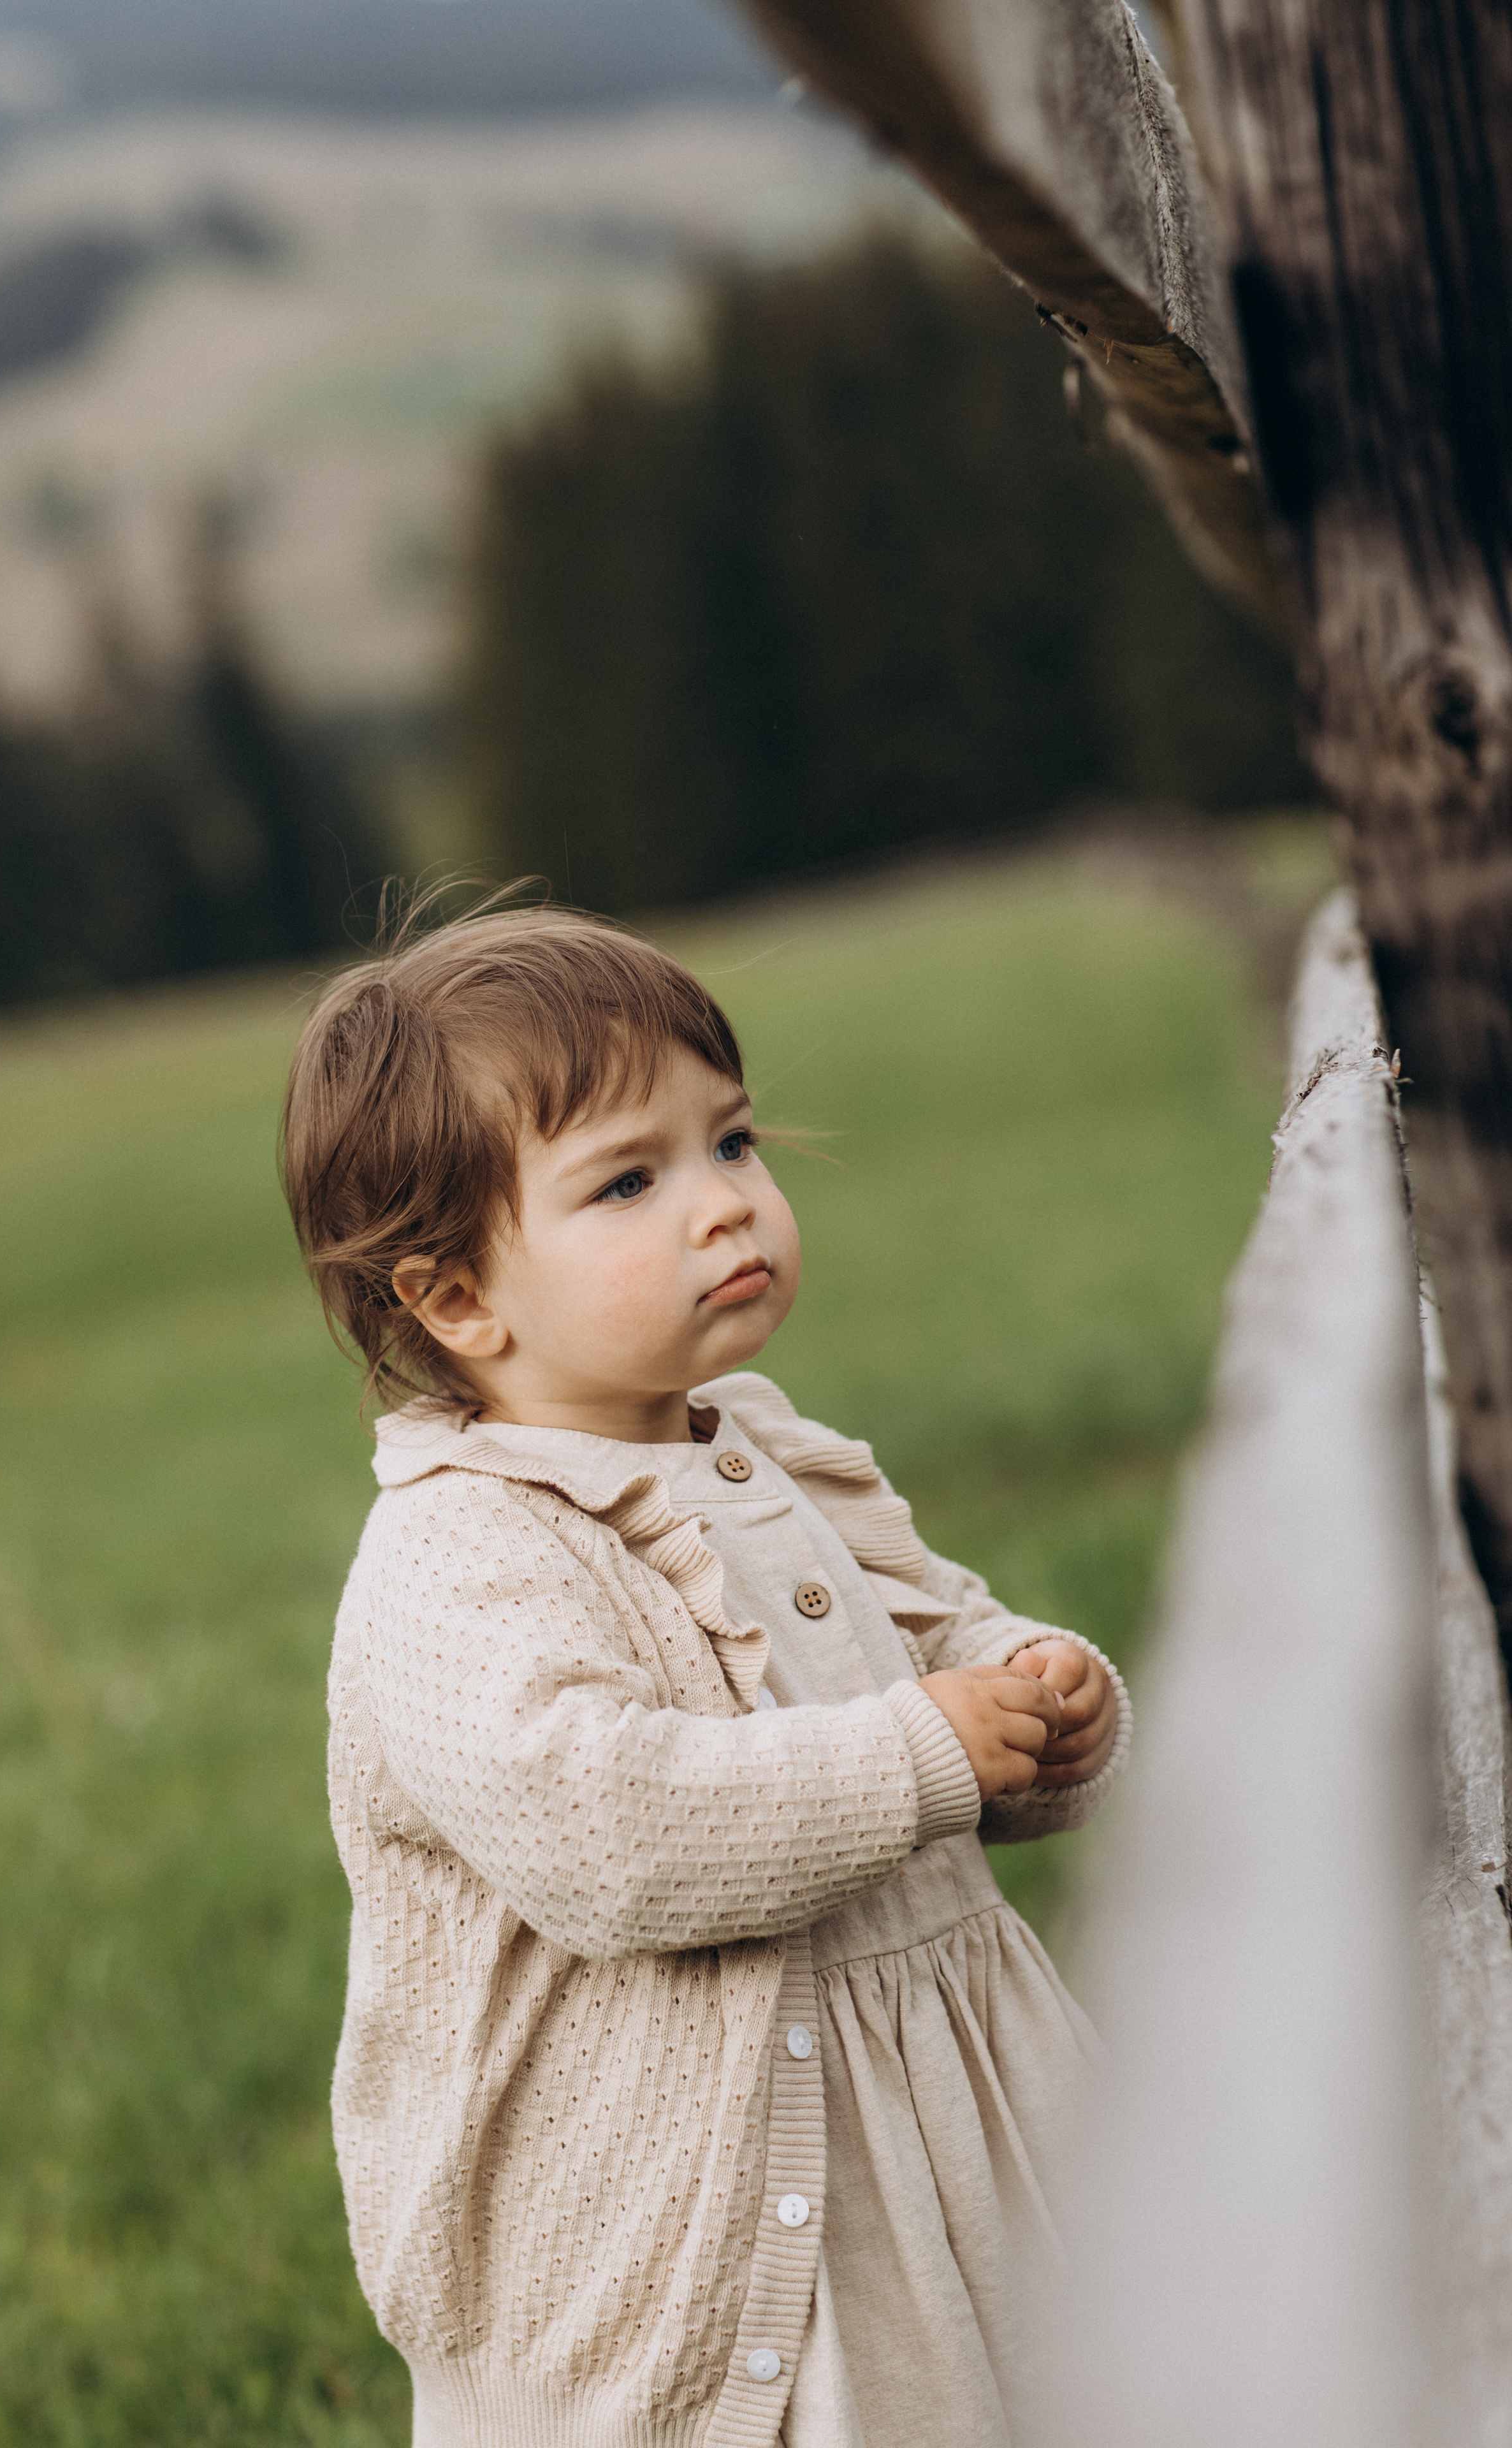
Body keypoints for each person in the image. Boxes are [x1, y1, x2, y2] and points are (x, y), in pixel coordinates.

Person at [282, 904, 1130, 2448]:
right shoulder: (458, 1559)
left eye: (729, 1144)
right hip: (684, 2218)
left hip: (938, 2116)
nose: (721, 1205)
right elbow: (609, 1837)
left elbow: (928, 1636)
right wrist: (928, 1753)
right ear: (455, 1296)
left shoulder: (763, 1451)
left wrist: (1033, 1693)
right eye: (627, 1180)